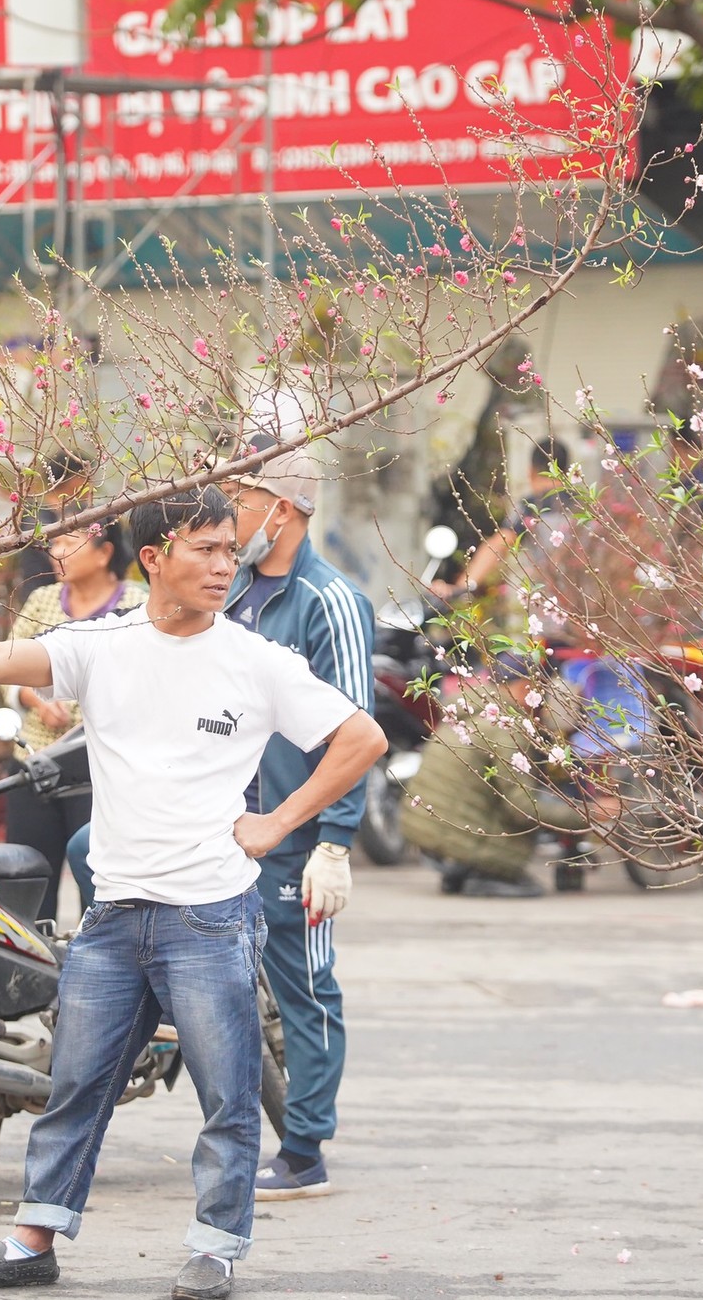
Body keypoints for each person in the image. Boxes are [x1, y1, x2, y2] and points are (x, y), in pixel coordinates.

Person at [0, 487, 386, 1300]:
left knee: (227, 1094)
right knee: (75, 1087)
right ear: (152, 560)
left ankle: (214, 1246)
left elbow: (361, 736)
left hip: (209, 913)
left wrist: (277, 823)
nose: (222, 563)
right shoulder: (103, 646)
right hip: (114, 911)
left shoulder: (253, 658)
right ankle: (34, 1238)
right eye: (203, 548)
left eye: (226, 547)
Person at [219, 434, 371, 1202]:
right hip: (227, 829)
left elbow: (355, 728)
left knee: (305, 984)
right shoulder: (236, 593)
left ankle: (306, 1146)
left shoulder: (329, 602)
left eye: (240, 502)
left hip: (295, 835)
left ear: (279, 511)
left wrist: (334, 841)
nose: (229, 517)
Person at [4, 520, 145, 922]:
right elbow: (11, 669)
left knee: (99, 880)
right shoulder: (42, 600)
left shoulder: (135, 604)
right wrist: (37, 698)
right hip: (37, 758)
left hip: (98, 770)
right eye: (54, 542)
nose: (57, 550)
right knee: (30, 877)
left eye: (69, 541)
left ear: (104, 553)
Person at [403, 652, 568, 898]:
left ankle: (459, 870)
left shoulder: (466, 709)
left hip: (421, 826)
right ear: (527, 687)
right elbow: (522, 808)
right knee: (529, 886)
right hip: (456, 836)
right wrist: (588, 815)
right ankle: (480, 871)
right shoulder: (506, 729)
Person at [444, 436, 571, 599]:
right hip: (596, 604)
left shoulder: (531, 507)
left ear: (530, 471)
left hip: (548, 601)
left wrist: (462, 587)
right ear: (567, 473)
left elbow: (500, 543)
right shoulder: (586, 506)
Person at [13, 450, 94, 606]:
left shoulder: (74, 512)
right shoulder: (35, 515)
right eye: (87, 475)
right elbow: (57, 556)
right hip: (42, 599)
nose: (91, 483)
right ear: (74, 478)